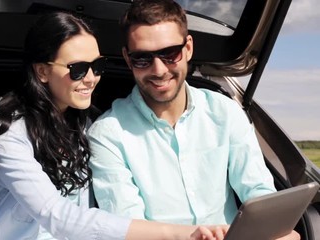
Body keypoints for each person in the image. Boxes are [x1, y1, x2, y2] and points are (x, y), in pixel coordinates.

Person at [0, 10, 229, 240]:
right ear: (42, 72)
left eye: (97, 65)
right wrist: (180, 234)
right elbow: (59, 218)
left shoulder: (88, 128)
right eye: (78, 68)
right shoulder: (8, 134)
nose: (91, 78)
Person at [87, 1, 299, 239]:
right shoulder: (107, 133)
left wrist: (276, 230)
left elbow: (259, 193)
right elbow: (127, 227)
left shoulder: (226, 112)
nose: (158, 70)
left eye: (169, 54)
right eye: (142, 58)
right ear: (127, 58)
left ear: (187, 48)